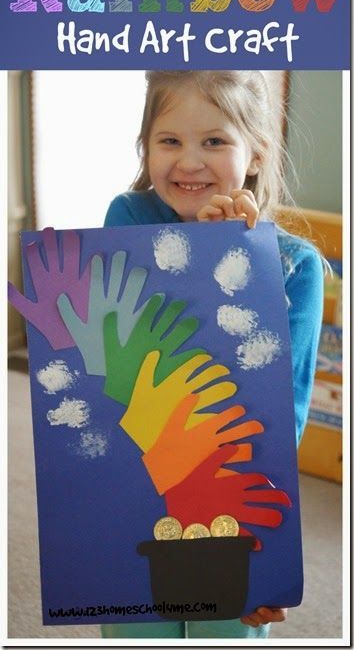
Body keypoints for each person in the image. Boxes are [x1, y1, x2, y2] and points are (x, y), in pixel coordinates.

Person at [101, 70, 324, 641]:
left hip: (236, 488)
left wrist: (239, 255)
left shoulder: (297, 265)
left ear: (254, 154)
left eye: (215, 141)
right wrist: (206, 250)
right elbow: (120, 353)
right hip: (138, 480)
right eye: (169, 140)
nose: (189, 161)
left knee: (224, 626)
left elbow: (284, 409)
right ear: (145, 146)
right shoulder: (126, 218)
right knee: (136, 626)